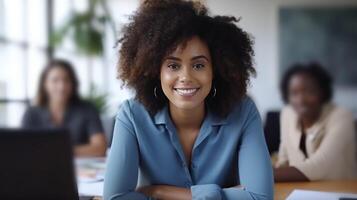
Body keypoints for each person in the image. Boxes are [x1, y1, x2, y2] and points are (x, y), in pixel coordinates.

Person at [104, 0, 273, 199]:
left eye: (199, 65)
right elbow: (116, 197)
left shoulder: (243, 112)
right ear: (155, 71)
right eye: (173, 66)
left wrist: (159, 191)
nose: (186, 77)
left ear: (215, 70)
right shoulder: (132, 115)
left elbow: (260, 197)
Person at [274, 62, 357, 182]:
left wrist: (262, 176)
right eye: (294, 93)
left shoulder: (342, 117)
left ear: (322, 92)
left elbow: (319, 166)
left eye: (309, 91)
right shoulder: (287, 113)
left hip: (339, 191)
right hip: (298, 190)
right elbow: (283, 159)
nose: (301, 100)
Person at [22, 59, 107, 157]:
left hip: (79, 170)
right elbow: (24, 149)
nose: (62, 86)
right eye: (55, 80)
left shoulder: (87, 109)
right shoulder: (31, 113)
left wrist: (57, 151)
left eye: (66, 80)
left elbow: (100, 147)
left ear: (73, 84)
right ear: (45, 84)